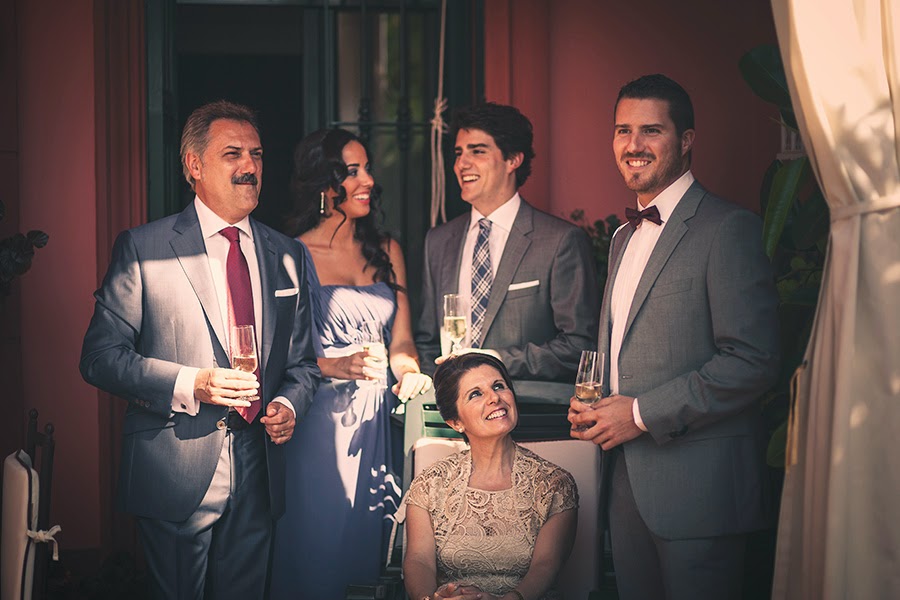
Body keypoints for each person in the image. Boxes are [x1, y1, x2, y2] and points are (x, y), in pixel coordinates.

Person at [79, 100, 320, 600]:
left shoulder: (288, 254)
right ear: (194, 165)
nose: (250, 166)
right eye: (233, 154)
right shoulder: (144, 248)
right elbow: (100, 358)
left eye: (256, 154)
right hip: (175, 468)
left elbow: (302, 363)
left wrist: (288, 403)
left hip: (259, 469)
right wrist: (193, 383)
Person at [569, 74, 780, 599]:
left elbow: (753, 360)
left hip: (701, 491)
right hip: (625, 489)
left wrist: (639, 413)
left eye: (651, 130)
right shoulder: (622, 237)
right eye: (623, 130)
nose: (633, 145)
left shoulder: (728, 228)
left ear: (686, 141)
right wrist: (595, 405)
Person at [269, 128, 432, 599]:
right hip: (317, 424)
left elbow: (402, 341)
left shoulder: (387, 249)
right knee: (318, 551)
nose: (368, 180)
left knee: (375, 547)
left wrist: (409, 372)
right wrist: (334, 365)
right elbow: (274, 354)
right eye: (353, 171)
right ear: (325, 182)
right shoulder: (290, 253)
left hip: (379, 422)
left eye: (368, 169)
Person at [415, 103, 599, 382]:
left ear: (513, 160)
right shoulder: (438, 241)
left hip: (528, 405)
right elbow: (428, 342)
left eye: (477, 151)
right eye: (459, 153)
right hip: (450, 408)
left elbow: (578, 347)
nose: (461, 164)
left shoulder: (561, 241)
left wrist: (493, 360)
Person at [404, 353, 578, 600]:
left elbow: (546, 565)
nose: (494, 398)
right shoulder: (429, 484)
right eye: (476, 394)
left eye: (498, 386)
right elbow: (418, 560)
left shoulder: (555, 485)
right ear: (455, 422)